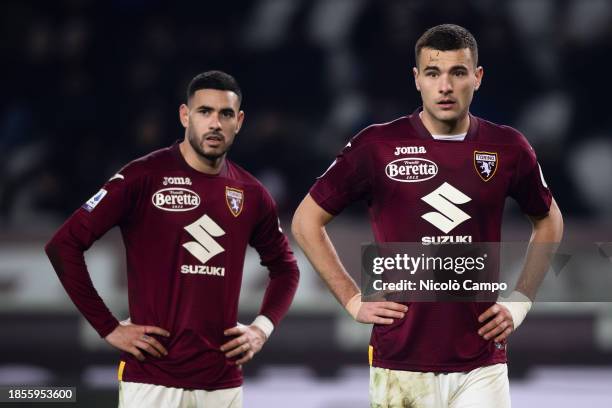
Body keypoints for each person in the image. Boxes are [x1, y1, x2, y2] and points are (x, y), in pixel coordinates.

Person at [292, 24, 563, 407]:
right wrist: (352, 299)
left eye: (458, 72)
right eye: (433, 73)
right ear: (417, 80)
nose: (445, 86)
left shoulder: (508, 147)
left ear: (478, 77)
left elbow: (549, 220)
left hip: (482, 361)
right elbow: (306, 221)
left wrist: (520, 301)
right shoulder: (377, 145)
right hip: (400, 363)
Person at [45, 70, 299, 408]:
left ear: (239, 122)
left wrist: (261, 329)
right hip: (152, 382)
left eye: (225, 114)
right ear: (184, 115)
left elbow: (286, 268)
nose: (215, 124)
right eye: (204, 112)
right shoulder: (142, 177)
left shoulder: (251, 193)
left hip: (223, 384)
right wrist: (108, 327)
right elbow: (63, 245)